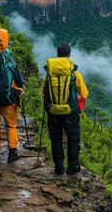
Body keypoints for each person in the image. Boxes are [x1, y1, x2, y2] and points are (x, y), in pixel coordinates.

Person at [42, 43, 89, 175]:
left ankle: (58, 167)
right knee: (73, 139)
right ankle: (72, 166)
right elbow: (84, 94)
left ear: (57, 55)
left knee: (56, 139)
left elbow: (43, 92)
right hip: (70, 112)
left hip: (53, 112)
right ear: (69, 55)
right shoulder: (75, 74)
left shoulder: (48, 75)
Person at [0, 49, 24, 164]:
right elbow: (20, 82)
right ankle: (12, 153)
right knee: (11, 126)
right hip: (8, 100)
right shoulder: (9, 63)